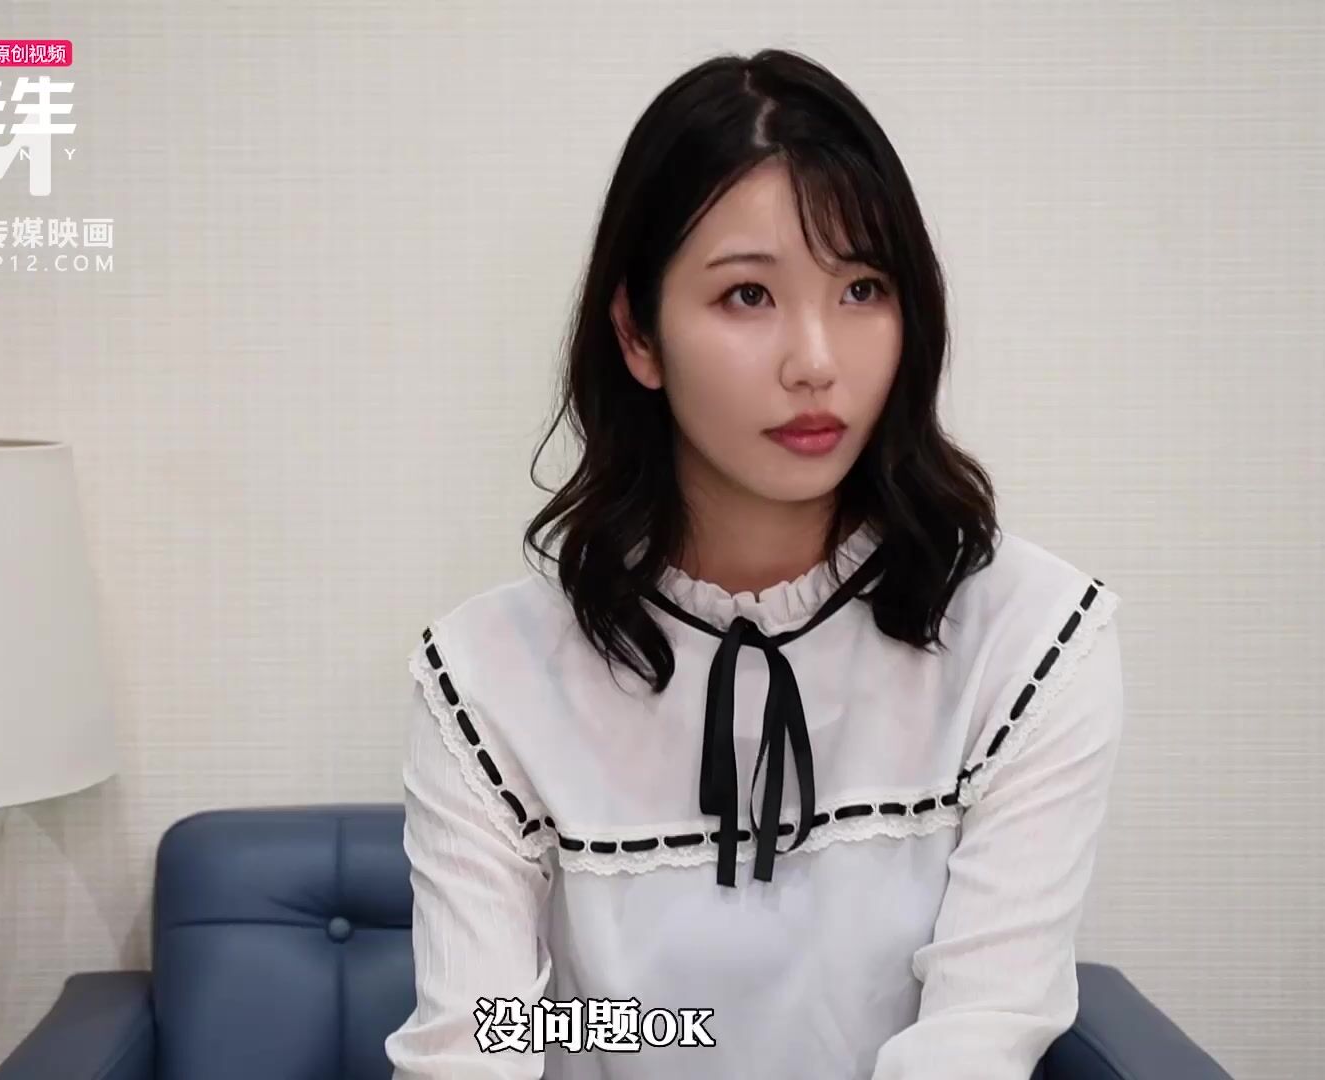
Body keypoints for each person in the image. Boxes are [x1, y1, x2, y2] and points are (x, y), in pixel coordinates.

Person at [384, 47, 1126, 1080]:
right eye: (747, 296)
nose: (815, 361)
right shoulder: (487, 676)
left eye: (862, 287)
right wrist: (652, 1030)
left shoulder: (1030, 639)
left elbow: (977, 1038)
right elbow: (480, 1045)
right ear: (638, 335)